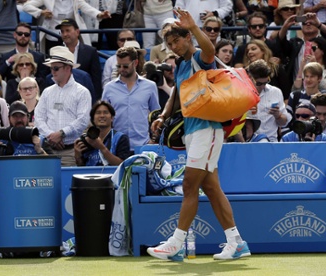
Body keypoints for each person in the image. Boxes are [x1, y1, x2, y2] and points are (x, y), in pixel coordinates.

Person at [147, 8, 251, 261]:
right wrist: (163, 115)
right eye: (169, 44)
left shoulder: (197, 57)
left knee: (189, 185)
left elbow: (210, 52)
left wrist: (194, 27)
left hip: (207, 130)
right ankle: (236, 242)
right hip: (193, 132)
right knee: (212, 188)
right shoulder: (182, 63)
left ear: (187, 38)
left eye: (177, 41)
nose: (173, 47)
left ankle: (177, 243)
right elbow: (177, 92)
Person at [34, 46, 92, 166]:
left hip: (71, 151)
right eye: (51, 68)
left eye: (56, 68)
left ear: (67, 68)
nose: (52, 71)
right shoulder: (47, 92)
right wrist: (51, 136)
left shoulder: (82, 92)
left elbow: (83, 121)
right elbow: (38, 118)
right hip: (47, 150)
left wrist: (60, 134)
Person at [101, 45, 159, 152]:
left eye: (125, 66)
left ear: (135, 63)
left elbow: (156, 116)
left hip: (143, 145)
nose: (122, 69)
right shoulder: (109, 88)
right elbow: (103, 118)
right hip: (116, 147)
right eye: (119, 66)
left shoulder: (150, 86)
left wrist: (154, 140)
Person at [0, 101, 47, 169]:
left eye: (22, 116)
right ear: (9, 118)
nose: (19, 120)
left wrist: (40, 150)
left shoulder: (40, 139)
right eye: (15, 116)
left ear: (28, 117)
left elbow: (52, 167)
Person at [22, 0, 111, 53]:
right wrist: (41, 12)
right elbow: (26, 6)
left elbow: (87, 8)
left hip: (70, 36)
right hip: (52, 34)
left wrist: (99, 14)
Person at [277, 12, 326, 85]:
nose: (308, 24)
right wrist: (285, 26)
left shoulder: (324, 43)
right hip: (298, 87)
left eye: (311, 23)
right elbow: (280, 42)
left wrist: (318, 24)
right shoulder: (295, 43)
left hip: (320, 87)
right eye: (304, 23)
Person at [55, 18, 103, 100]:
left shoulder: (90, 52)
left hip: (84, 97)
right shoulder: (55, 52)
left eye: (67, 30)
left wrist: (95, 103)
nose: (65, 34)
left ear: (77, 32)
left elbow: (96, 80)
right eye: (62, 31)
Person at [74, 101, 131, 166]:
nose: (102, 116)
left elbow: (122, 165)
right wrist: (77, 156)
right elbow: (81, 168)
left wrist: (102, 148)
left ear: (112, 118)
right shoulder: (86, 139)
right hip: (90, 175)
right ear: (93, 119)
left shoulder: (121, 138)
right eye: (98, 113)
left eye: (105, 112)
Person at [247, 59, 290, 142]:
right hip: (248, 143)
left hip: (271, 142)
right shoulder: (240, 93)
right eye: (259, 83)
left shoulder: (276, 92)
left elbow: (283, 122)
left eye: (266, 82)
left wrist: (278, 115)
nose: (263, 87)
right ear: (249, 77)